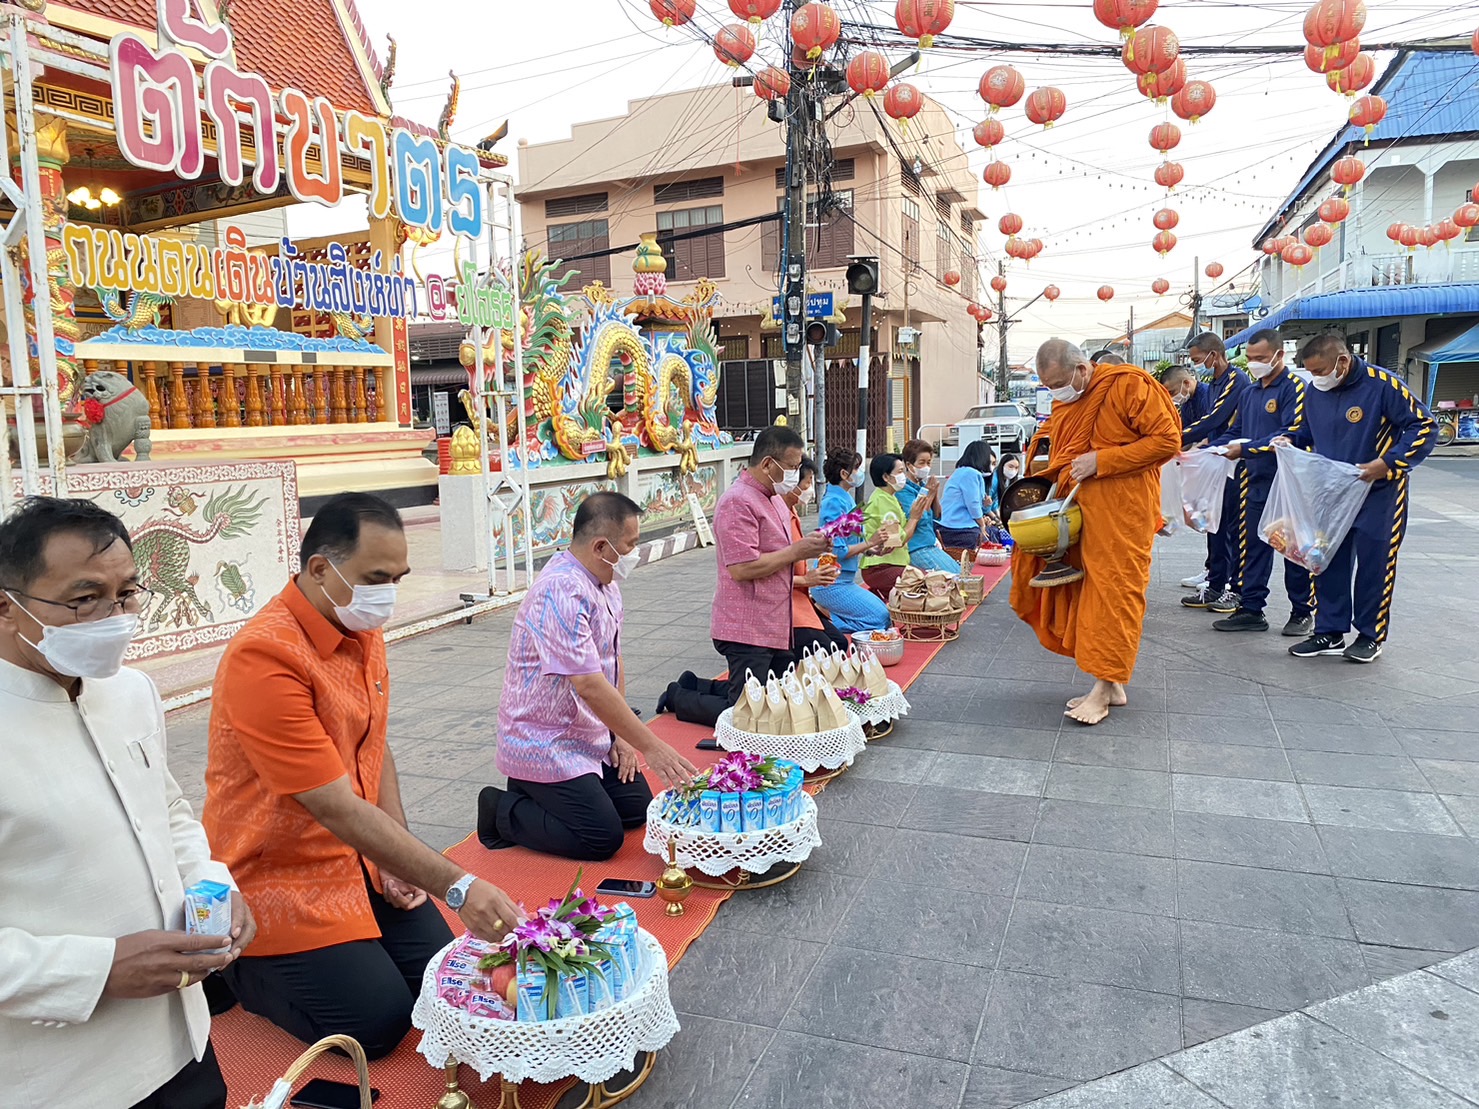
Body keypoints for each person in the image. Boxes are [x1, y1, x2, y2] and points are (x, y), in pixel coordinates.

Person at [206, 493, 523, 1059]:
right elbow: (331, 804)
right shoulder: (266, 656)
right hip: (282, 872)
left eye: (398, 579)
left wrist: (394, 857)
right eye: (377, 578)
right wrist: (456, 885)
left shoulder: (358, 628)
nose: (388, 595)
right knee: (376, 1026)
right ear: (319, 569)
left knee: (438, 979)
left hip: (356, 854)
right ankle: (239, 970)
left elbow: (372, 746)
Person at [0, 497, 254, 1109]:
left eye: (126, 594)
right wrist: (97, 970)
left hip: (182, 1037)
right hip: (65, 1078)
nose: (114, 618)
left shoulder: (130, 691)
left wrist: (212, 885)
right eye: (85, 598)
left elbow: (165, 810)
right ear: (6, 607)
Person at [481, 492, 697, 859]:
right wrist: (651, 745)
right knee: (601, 837)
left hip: (589, 729)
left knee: (636, 809)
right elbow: (589, 685)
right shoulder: (561, 590)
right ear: (601, 547)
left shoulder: (605, 583)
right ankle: (501, 809)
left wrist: (621, 736)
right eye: (630, 546)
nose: (634, 554)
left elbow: (613, 659)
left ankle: (540, 792)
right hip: (545, 739)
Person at [1010, 340, 1180, 725]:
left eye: (1059, 383)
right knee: (1087, 593)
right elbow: (1060, 444)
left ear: (1082, 369)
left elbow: (1167, 441)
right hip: (1079, 510)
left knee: (1115, 593)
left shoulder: (1128, 384)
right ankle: (1111, 684)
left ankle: (1102, 692)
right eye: (1048, 386)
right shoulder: (1069, 400)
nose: (1056, 392)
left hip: (1124, 511)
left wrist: (1103, 460)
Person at [1279, 333, 1436, 663]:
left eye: (1320, 371)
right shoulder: (1315, 391)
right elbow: (1305, 431)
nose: (1317, 378)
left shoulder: (1382, 385)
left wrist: (1388, 463)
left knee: (1374, 565)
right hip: (1332, 492)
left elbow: (1423, 426)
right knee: (1325, 560)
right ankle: (1329, 631)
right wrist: (1289, 440)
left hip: (1378, 493)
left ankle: (1369, 636)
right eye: (1311, 372)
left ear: (1343, 361)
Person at [709, 425, 829, 705]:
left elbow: (781, 549)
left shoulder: (773, 498)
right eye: (792, 467)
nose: (796, 474)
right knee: (747, 709)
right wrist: (796, 551)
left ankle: (687, 691)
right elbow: (741, 568)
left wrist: (810, 545)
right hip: (747, 627)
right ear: (767, 464)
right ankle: (680, 697)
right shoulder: (737, 502)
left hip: (775, 622)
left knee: (775, 703)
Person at [1208, 329, 1315, 637]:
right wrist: (1210, 449)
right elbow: (1237, 430)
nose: (1255, 363)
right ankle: (1251, 609)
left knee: (1292, 549)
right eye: (1251, 358)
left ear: (1279, 355)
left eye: (1261, 358)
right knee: (1252, 548)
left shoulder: (1295, 389)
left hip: (1288, 484)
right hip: (1254, 481)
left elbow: (1290, 433)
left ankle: (1302, 612)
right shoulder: (1251, 393)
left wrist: (1244, 449)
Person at [1179, 333, 1251, 611]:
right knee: (1214, 525)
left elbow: (1215, 419)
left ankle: (1233, 588)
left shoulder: (1236, 379)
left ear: (1214, 354)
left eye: (1198, 359)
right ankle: (1215, 584)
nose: (1196, 364)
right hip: (1217, 459)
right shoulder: (1215, 383)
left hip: (1234, 462)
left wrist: (1174, 438)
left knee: (1232, 528)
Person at [809, 447, 892, 632]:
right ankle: (826, 620)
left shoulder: (845, 498)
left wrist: (872, 549)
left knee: (884, 617)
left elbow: (852, 542)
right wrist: (870, 542)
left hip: (845, 579)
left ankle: (829, 617)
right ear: (844, 474)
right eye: (856, 468)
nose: (859, 472)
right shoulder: (833, 502)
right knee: (879, 619)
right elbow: (838, 551)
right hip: (831, 582)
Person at [785, 458, 850, 655]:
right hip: (786, 604)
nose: (811, 489)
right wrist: (806, 579)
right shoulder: (833, 502)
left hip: (803, 596)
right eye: (808, 483)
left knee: (840, 643)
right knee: (831, 649)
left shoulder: (792, 511)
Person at [860, 452, 928, 599]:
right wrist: (914, 518)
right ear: (886, 477)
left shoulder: (887, 497)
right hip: (881, 567)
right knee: (924, 581)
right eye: (900, 472)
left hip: (891, 563)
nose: (903, 476)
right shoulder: (883, 501)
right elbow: (896, 540)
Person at [896, 439, 959, 572]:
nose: (926, 467)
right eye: (922, 462)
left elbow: (938, 515)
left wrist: (934, 493)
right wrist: (929, 494)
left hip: (930, 542)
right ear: (909, 465)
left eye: (929, 462)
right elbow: (919, 518)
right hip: (917, 546)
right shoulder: (903, 490)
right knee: (952, 576)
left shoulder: (923, 485)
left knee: (960, 573)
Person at [939, 440, 994, 557]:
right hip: (957, 528)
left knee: (991, 533)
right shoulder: (971, 474)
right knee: (990, 537)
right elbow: (973, 504)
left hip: (950, 525)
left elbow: (976, 505)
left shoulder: (961, 471)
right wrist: (982, 525)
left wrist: (985, 508)